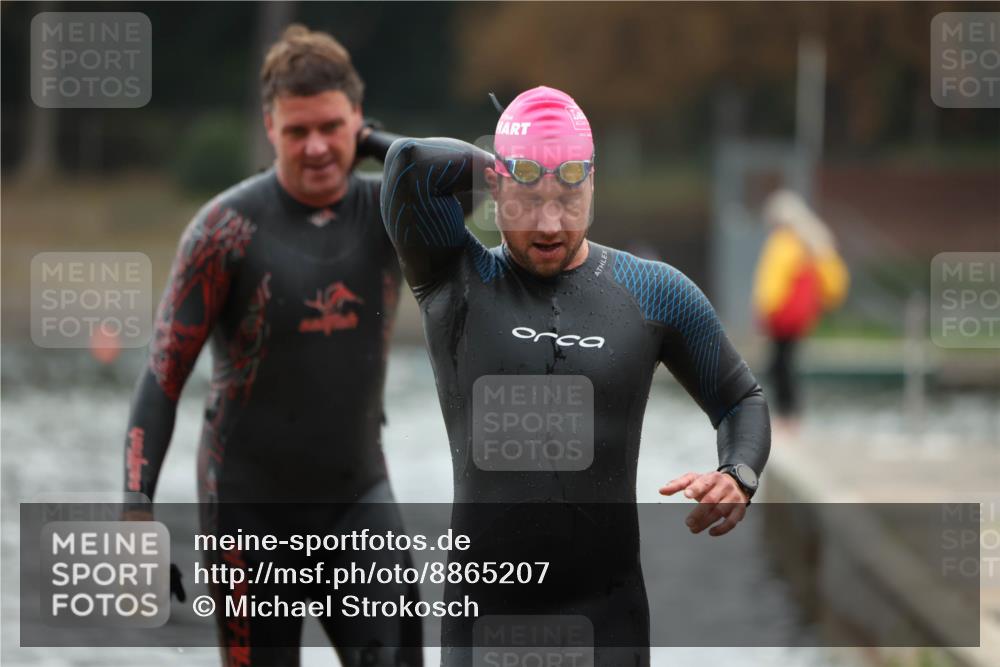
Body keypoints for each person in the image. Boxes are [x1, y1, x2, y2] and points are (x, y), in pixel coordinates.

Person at [381, 86, 770, 666]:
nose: (548, 223)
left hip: (607, 623)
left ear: (594, 182)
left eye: (568, 197)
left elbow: (742, 399)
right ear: (495, 188)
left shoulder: (653, 292)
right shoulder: (455, 282)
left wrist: (737, 474)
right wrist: (500, 158)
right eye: (528, 199)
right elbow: (408, 163)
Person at [123, 25, 421, 667]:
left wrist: (379, 148)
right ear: (268, 128)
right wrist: (135, 505)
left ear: (358, 121)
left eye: (332, 127)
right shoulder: (224, 231)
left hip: (357, 499)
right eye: (295, 132)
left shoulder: (389, 211)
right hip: (248, 515)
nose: (316, 148)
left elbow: (486, 182)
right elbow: (162, 375)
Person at [752, 189, 849, 429]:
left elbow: (770, 281)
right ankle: (792, 414)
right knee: (787, 363)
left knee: (779, 365)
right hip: (801, 318)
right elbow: (834, 280)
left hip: (781, 317)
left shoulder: (783, 243)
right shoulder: (812, 243)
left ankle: (786, 415)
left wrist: (763, 310)